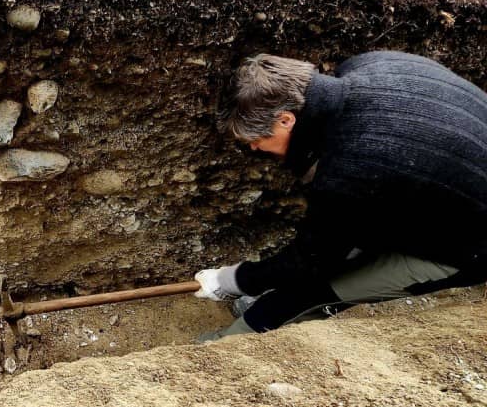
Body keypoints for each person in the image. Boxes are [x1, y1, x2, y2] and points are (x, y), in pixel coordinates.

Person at [194, 51, 487, 341]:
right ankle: (263, 303)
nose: (255, 148)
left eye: (257, 139)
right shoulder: (373, 63)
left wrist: (234, 280)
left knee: (313, 289)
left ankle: (228, 345)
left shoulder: (351, 169)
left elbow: (309, 262)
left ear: (286, 120)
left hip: (470, 244)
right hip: (450, 194)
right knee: (328, 255)